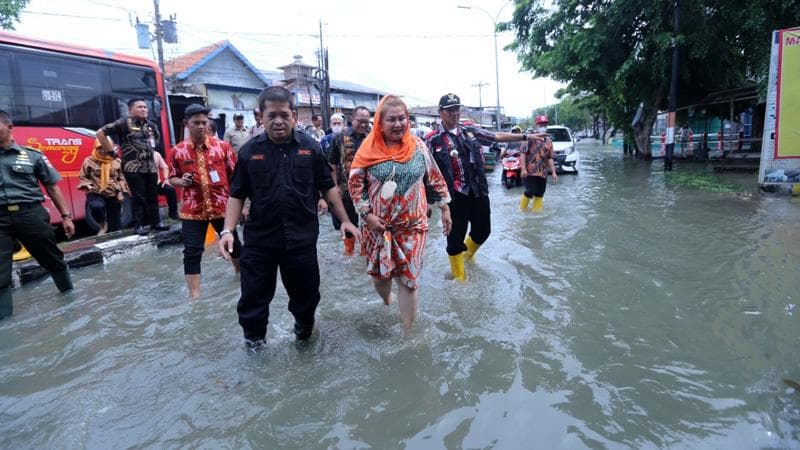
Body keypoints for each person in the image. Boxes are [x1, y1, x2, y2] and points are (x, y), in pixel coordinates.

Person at [217, 86, 360, 347]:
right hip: (260, 241)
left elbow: (328, 186)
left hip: (301, 241)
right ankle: (255, 347)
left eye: (284, 114)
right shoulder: (249, 152)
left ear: (294, 115)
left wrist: (346, 220)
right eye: (271, 115)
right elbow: (236, 194)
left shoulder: (311, 148)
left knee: (306, 300)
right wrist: (227, 231)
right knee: (252, 303)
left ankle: (303, 336)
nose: (278, 121)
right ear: (260, 116)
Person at [348, 96, 451, 327]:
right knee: (381, 277)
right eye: (391, 120)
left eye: (402, 119)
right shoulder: (367, 150)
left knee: (409, 280)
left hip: (413, 225)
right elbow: (355, 185)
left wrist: (444, 208)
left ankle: (409, 333)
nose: (398, 124)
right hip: (377, 226)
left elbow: (434, 178)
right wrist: (367, 215)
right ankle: (386, 299)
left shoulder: (419, 147)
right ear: (380, 123)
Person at [426, 93, 544, 281]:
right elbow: (427, 170)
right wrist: (428, 202)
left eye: (457, 109)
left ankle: (466, 257)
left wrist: (526, 136)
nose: (454, 113)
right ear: (440, 112)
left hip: (478, 190)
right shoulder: (432, 139)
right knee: (455, 238)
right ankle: (459, 280)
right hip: (454, 196)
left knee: (483, 230)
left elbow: (496, 136)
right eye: (449, 110)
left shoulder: (469, 130)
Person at [0, 110, 75, 320]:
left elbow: (52, 186)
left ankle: (70, 300)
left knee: (52, 258)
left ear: (9, 127)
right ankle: (5, 323)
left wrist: (66, 216)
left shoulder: (32, 155)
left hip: (30, 214)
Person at [168, 104, 241, 299]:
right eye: (196, 123)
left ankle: (240, 277)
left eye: (204, 122)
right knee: (192, 251)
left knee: (235, 246)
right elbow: (172, 177)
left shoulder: (222, 148)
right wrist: (181, 182)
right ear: (186, 124)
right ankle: (195, 297)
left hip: (222, 207)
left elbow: (236, 177)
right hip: (192, 210)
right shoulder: (178, 151)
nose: (201, 126)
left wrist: (243, 205)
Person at [96, 98, 168, 235]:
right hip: (133, 167)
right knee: (138, 196)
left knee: (153, 196)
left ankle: (156, 223)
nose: (143, 109)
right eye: (139, 107)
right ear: (130, 109)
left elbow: (156, 141)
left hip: (151, 167)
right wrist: (111, 152)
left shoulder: (151, 125)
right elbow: (100, 133)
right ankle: (138, 225)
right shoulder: (124, 122)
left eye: (145, 107)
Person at [328, 106, 371, 255]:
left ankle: (366, 253)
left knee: (369, 222)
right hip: (346, 189)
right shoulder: (339, 137)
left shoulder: (372, 138)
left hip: (369, 189)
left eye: (367, 122)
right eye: (360, 121)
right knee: (349, 223)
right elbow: (331, 162)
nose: (364, 125)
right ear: (352, 119)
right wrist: (335, 184)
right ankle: (349, 253)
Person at [78, 137, 130, 234]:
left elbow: (121, 178)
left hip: (113, 192)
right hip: (96, 191)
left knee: (116, 227)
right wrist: (88, 185)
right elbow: (83, 177)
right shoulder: (88, 161)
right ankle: (102, 223)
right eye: (99, 148)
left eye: (105, 148)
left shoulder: (116, 161)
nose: (102, 150)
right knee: (96, 206)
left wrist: (121, 192)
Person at [520, 115, 558, 212]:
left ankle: (537, 212)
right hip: (530, 171)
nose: (543, 127)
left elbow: (550, 157)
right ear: (536, 125)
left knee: (540, 192)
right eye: (541, 124)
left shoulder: (549, 140)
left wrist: (553, 172)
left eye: (545, 124)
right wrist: (523, 169)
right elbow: (523, 153)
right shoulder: (528, 137)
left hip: (543, 172)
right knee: (529, 191)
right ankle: (521, 209)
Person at [152, 150, 178, 220]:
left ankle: (173, 214)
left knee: (170, 190)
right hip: (145, 185)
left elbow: (165, 167)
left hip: (157, 183)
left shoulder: (156, 154)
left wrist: (166, 179)